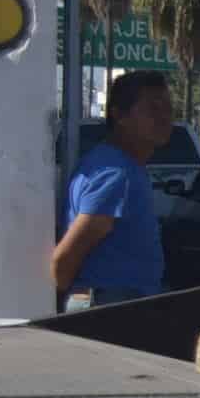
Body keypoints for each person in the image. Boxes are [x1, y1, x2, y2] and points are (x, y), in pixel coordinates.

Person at [53, 69, 175, 306]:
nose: (164, 118)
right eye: (152, 109)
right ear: (119, 115)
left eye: (168, 109)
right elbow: (64, 260)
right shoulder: (115, 173)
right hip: (111, 306)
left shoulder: (117, 164)